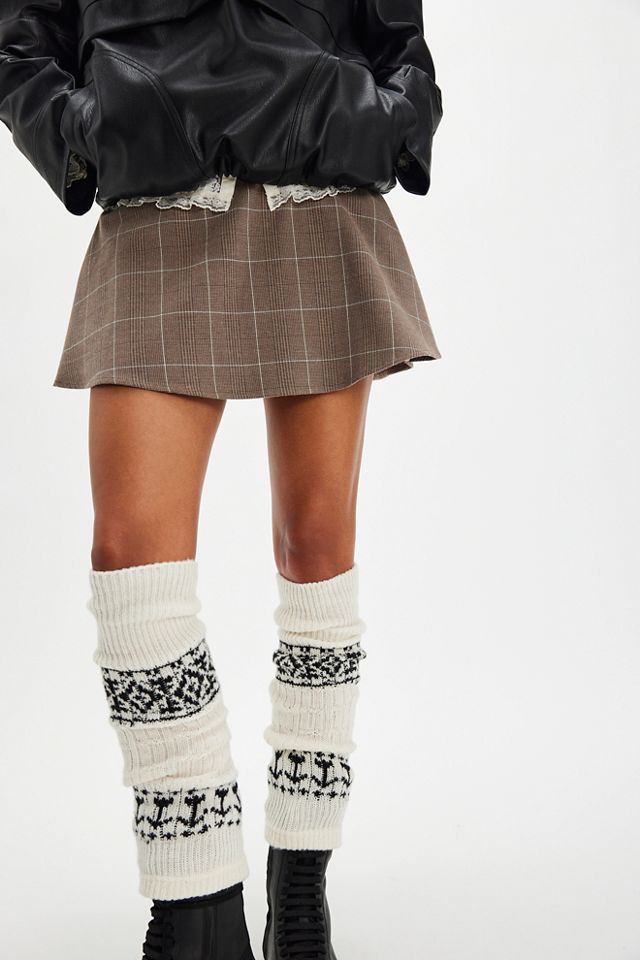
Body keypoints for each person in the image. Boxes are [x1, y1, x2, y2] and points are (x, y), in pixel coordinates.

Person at [0, 1, 443, 957]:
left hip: (318, 193)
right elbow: (19, 39)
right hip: (158, 197)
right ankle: (196, 904)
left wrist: (375, 117)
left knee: (316, 552)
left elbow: (399, 43)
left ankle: (300, 885)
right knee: (131, 559)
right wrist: (89, 131)